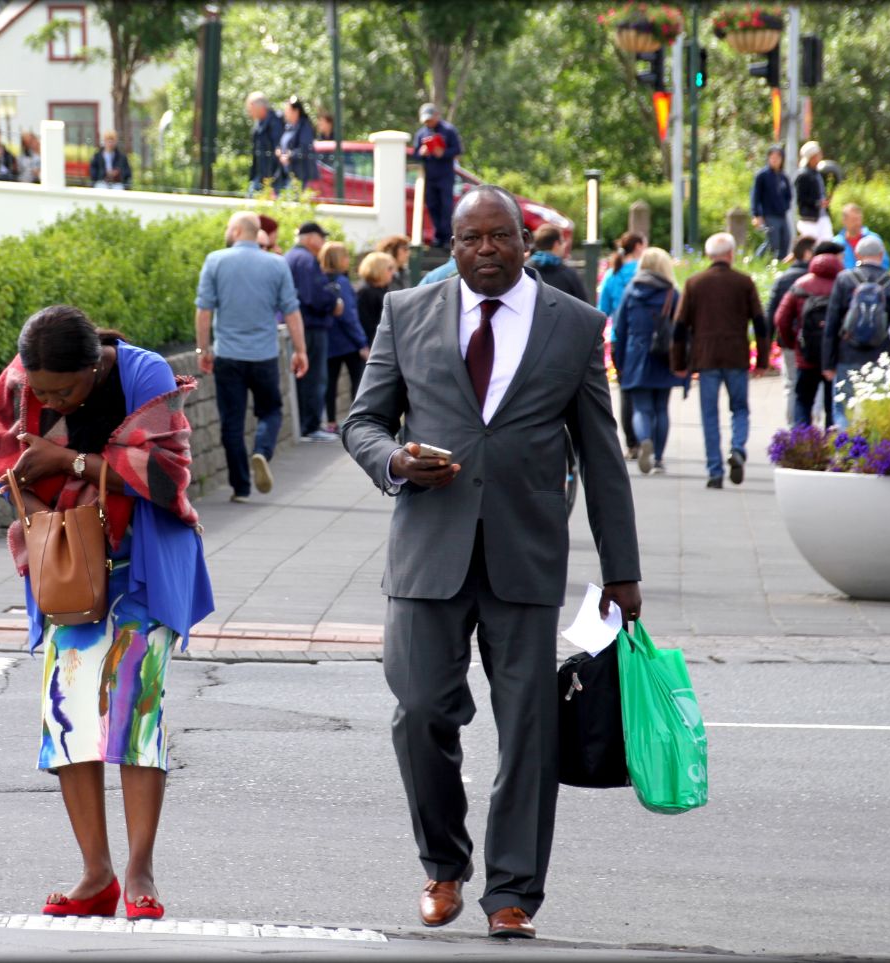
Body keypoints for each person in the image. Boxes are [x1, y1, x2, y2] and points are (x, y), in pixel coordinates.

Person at [341, 185, 640, 940]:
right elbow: (363, 420)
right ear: (451, 245)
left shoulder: (575, 325)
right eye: (470, 238)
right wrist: (397, 461)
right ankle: (443, 862)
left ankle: (512, 892)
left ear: (525, 241)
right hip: (427, 553)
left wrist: (622, 570)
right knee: (420, 713)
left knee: (530, 731)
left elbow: (602, 459)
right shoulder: (406, 313)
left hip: (526, 553)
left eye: (500, 236)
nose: (486, 250)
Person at [0, 305, 214, 922]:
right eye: (43, 390)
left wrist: (66, 460)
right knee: (68, 713)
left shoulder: (144, 374)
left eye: (66, 390)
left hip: (143, 562)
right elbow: (0, 454)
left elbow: (163, 476)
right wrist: (33, 466)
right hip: (71, 564)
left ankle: (139, 869)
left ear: (94, 366)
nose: (54, 400)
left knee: (135, 711)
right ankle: (95, 873)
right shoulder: (23, 379)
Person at [195, 212, 309, 501]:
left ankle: (241, 487)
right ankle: (261, 451)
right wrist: (300, 350)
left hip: (228, 355)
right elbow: (292, 311)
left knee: (231, 423)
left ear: (235, 231)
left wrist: (203, 349)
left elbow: (204, 311)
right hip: (265, 355)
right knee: (270, 410)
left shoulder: (215, 260)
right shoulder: (276, 263)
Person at [670, 232, 771, 488]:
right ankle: (737, 448)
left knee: (709, 414)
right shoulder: (744, 282)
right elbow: (760, 324)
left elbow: (679, 327)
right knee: (739, 408)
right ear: (730, 254)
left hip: (705, 358)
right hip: (736, 355)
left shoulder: (695, 283)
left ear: (709, 256)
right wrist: (762, 360)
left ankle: (714, 471)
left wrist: (678, 363)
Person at [612, 247, 686, 475]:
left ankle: (644, 440)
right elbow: (682, 329)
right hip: (664, 357)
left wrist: (620, 362)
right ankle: (660, 460)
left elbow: (619, 329)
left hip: (637, 355)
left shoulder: (630, 291)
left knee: (642, 408)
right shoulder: (672, 294)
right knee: (661, 409)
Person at [822, 235, 890, 429]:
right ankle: (872, 455)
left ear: (857, 254)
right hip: (881, 357)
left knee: (843, 409)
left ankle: (845, 452)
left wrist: (828, 362)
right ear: (881, 254)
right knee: (878, 409)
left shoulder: (844, 279)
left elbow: (832, 323)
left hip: (848, 354)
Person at [285, 221, 345, 441]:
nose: (323, 242)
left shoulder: (291, 256)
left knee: (305, 378)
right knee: (314, 377)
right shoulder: (306, 259)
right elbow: (315, 295)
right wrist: (334, 301)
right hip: (311, 326)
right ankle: (311, 426)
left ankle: (306, 425)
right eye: (321, 237)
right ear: (311, 238)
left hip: (300, 324)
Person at [774, 240, 844, 427]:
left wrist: (793, 342)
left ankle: (802, 446)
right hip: (834, 357)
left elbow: (781, 318)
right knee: (834, 406)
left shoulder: (802, 284)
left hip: (806, 356)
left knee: (803, 402)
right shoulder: (844, 283)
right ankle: (832, 449)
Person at [600, 232, 647, 459]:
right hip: (647, 339)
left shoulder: (613, 274)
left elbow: (602, 312)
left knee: (626, 391)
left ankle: (632, 443)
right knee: (650, 390)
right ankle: (649, 436)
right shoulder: (647, 271)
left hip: (621, 340)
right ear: (638, 247)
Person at [765, 236, 818, 423]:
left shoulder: (783, 279)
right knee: (816, 385)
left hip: (790, 341)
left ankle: (794, 430)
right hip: (816, 341)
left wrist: (769, 348)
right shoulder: (820, 279)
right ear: (808, 253)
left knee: (791, 385)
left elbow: (773, 314)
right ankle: (815, 427)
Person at [320, 241, 369, 434]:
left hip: (328, 340)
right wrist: (362, 342)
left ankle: (330, 422)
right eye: (346, 256)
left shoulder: (320, 281)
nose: (348, 260)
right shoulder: (342, 282)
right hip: (348, 342)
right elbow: (348, 315)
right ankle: (358, 423)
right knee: (358, 383)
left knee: (329, 384)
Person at [412, 103, 462, 249]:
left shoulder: (449, 130)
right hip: (430, 176)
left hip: (445, 175)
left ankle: (447, 237)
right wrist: (421, 153)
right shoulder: (421, 134)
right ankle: (438, 236)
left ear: (436, 116)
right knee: (433, 205)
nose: (428, 123)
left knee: (446, 206)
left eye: (430, 119)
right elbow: (415, 154)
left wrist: (443, 153)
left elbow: (457, 150)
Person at [527, 224, 591, 304]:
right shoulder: (569, 274)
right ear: (556, 244)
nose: (564, 246)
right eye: (563, 241)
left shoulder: (525, 270)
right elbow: (584, 307)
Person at [750, 145, 793, 260]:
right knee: (772, 242)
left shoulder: (783, 177)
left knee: (786, 240)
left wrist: (785, 206)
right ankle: (757, 261)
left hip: (782, 215)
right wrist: (757, 215)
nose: (774, 160)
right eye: (772, 157)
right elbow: (755, 196)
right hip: (769, 214)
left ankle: (779, 264)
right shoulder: (762, 176)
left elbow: (788, 195)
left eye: (777, 157)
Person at [274, 95, 317, 193]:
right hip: (286, 174)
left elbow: (305, 148)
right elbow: (282, 143)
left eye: (287, 110)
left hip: (300, 174)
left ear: (296, 111)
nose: (285, 113)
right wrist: (279, 150)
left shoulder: (305, 127)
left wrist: (290, 156)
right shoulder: (288, 126)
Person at [246, 91, 284, 196]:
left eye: (250, 109)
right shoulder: (258, 124)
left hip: (272, 178)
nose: (249, 112)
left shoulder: (275, 122)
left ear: (258, 107)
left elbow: (278, 149)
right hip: (259, 176)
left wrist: (272, 178)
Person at [793, 141, 832, 241]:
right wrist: (817, 203)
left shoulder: (817, 173)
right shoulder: (803, 175)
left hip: (822, 216)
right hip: (810, 219)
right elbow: (801, 199)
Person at [356, 251, 397, 345]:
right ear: (379, 269)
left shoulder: (384, 289)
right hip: (372, 344)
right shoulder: (365, 292)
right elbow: (366, 323)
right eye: (389, 268)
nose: (393, 272)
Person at [832, 203, 889, 270]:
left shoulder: (873, 239)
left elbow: (885, 263)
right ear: (844, 221)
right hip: (845, 279)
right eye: (853, 220)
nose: (858, 223)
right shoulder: (835, 243)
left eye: (859, 219)